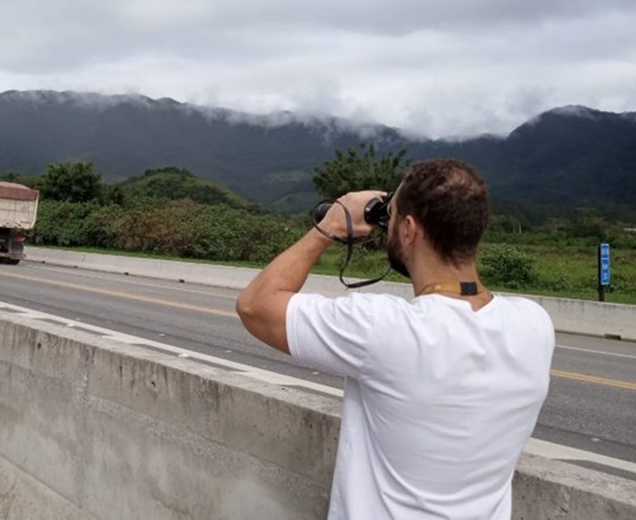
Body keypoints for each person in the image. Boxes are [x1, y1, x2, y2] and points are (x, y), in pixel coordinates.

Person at [236, 158, 554, 520]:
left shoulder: (381, 327)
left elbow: (254, 305)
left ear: (408, 229)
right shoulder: (535, 325)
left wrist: (329, 227)